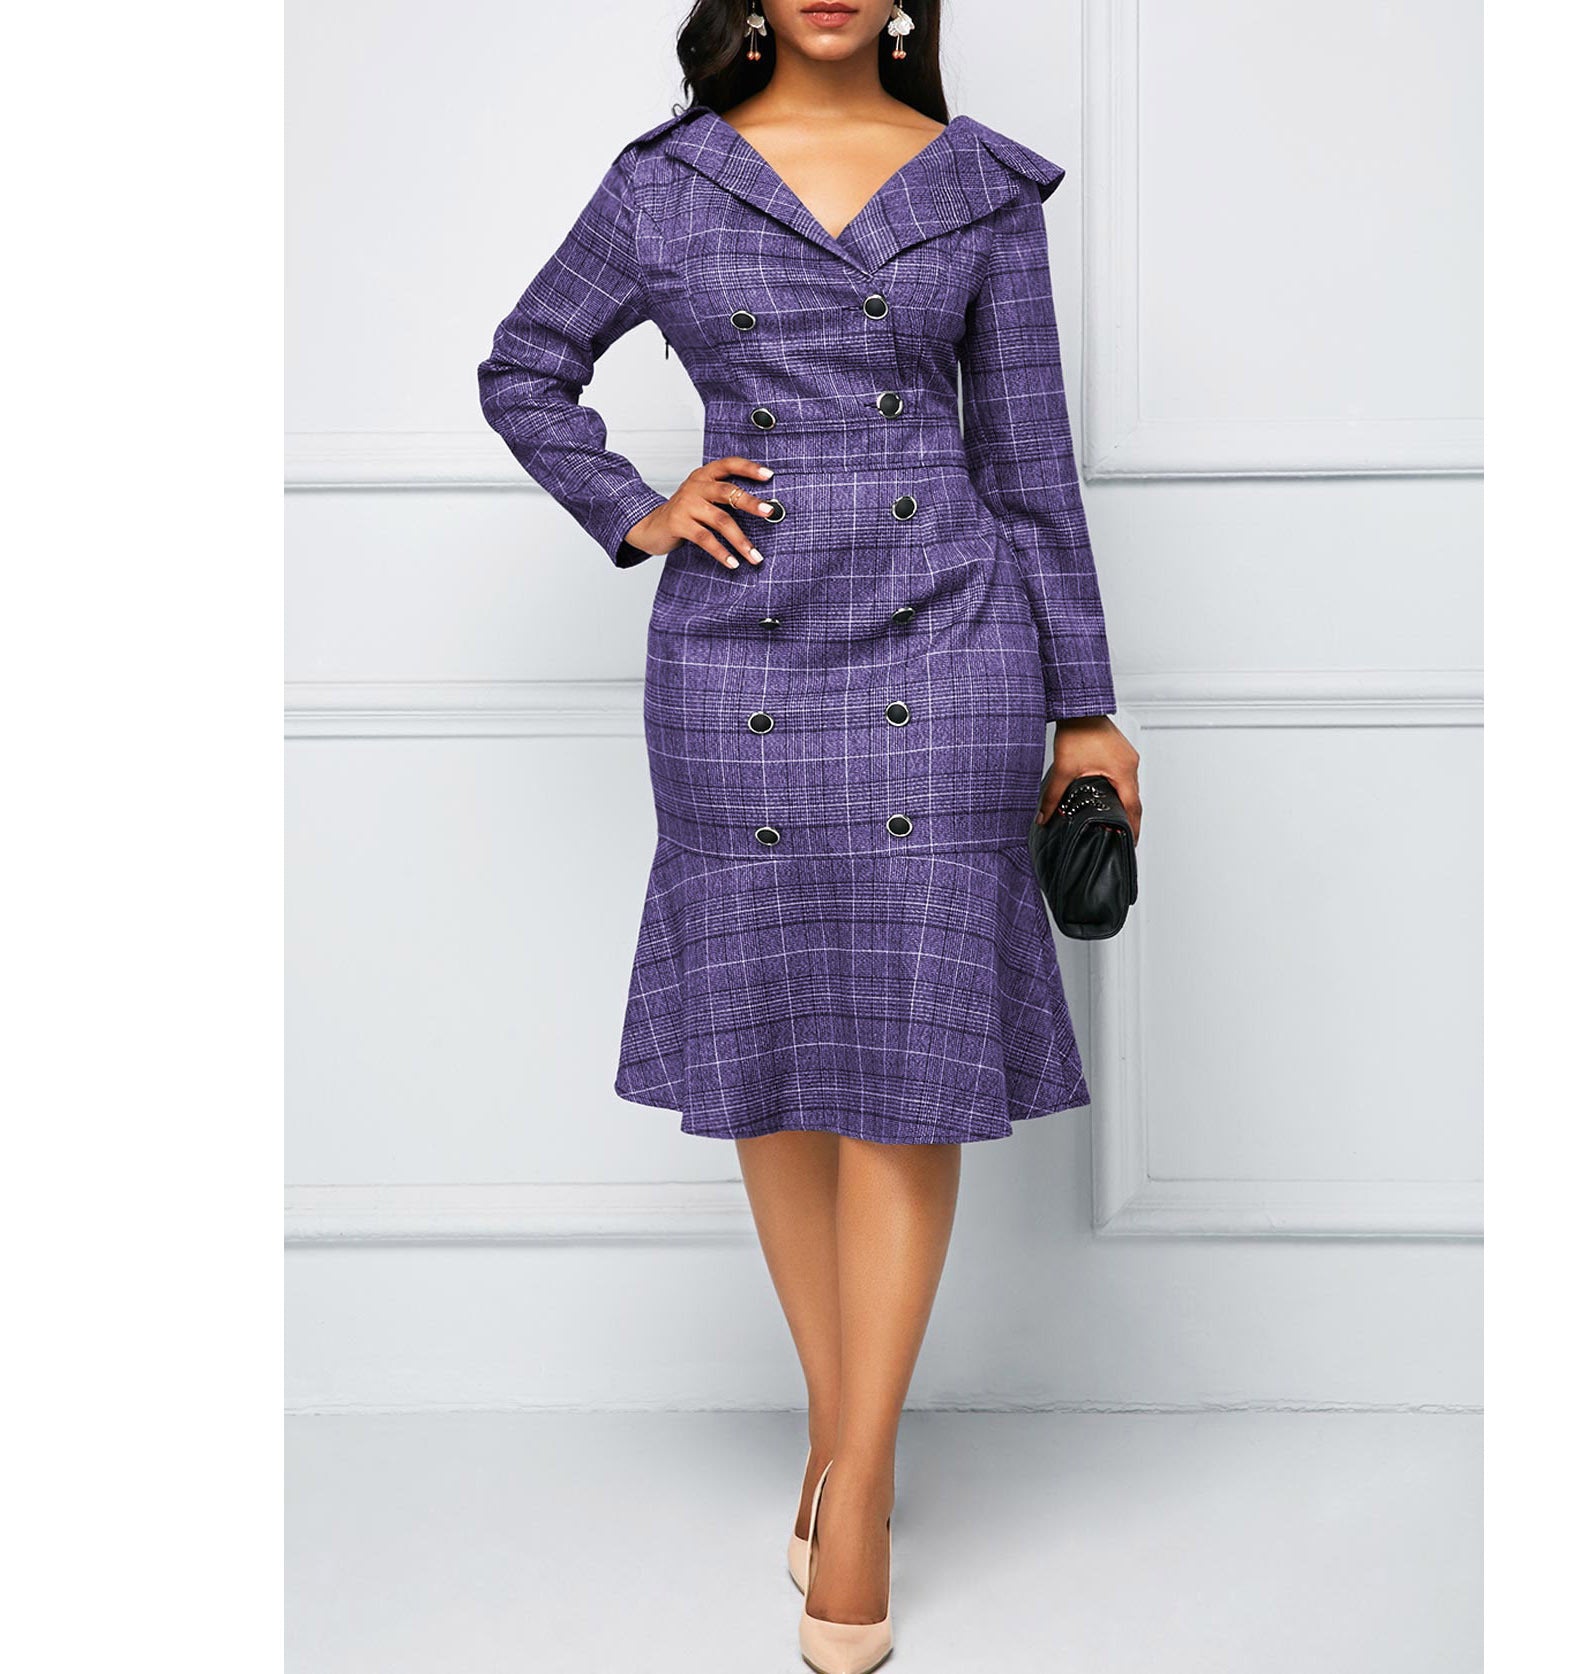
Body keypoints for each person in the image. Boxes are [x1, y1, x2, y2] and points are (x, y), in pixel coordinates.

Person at [477, 3, 1142, 1668]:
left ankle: (858, 1485)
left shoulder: (976, 185)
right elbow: (524, 367)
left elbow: (1031, 464)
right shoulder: (668, 182)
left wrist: (1085, 704)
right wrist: (637, 505)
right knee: (774, 1048)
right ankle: (845, 1436)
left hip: (953, 642)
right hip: (739, 650)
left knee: (910, 1056)